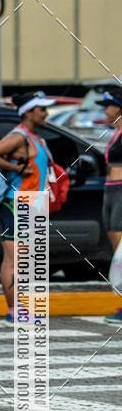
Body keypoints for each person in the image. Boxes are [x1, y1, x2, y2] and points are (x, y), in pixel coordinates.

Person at [0, 90, 55, 324]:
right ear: (28, 112)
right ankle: (15, 311)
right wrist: (16, 169)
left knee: (23, 261)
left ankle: (19, 308)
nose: (46, 113)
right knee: (15, 261)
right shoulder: (19, 137)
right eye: (41, 109)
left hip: (31, 204)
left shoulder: (36, 138)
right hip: (17, 204)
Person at [96, 88, 122, 324]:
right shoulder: (115, 132)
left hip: (121, 190)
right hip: (111, 190)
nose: (105, 111)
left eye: (108, 106)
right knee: (117, 253)